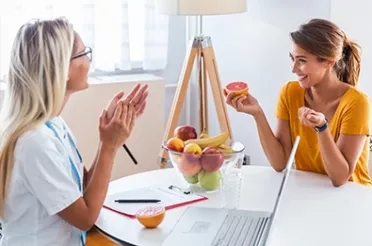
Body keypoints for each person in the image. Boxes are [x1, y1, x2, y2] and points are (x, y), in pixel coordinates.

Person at [0, 17, 148, 246]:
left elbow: (81, 189)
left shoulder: (54, 124)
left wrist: (108, 139)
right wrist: (109, 146)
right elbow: (85, 218)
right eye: (83, 53)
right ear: (62, 67)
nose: (89, 60)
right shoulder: (34, 142)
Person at [226, 18, 372, 187]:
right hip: (309, 191)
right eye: (292, 59)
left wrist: (322, 128)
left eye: (302, 60)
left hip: (354, 197)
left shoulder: (357, 103)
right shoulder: (290, 93)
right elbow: (280, 163)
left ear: (328, 62)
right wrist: (257, 113)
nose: (294, 68)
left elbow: (340, 178)